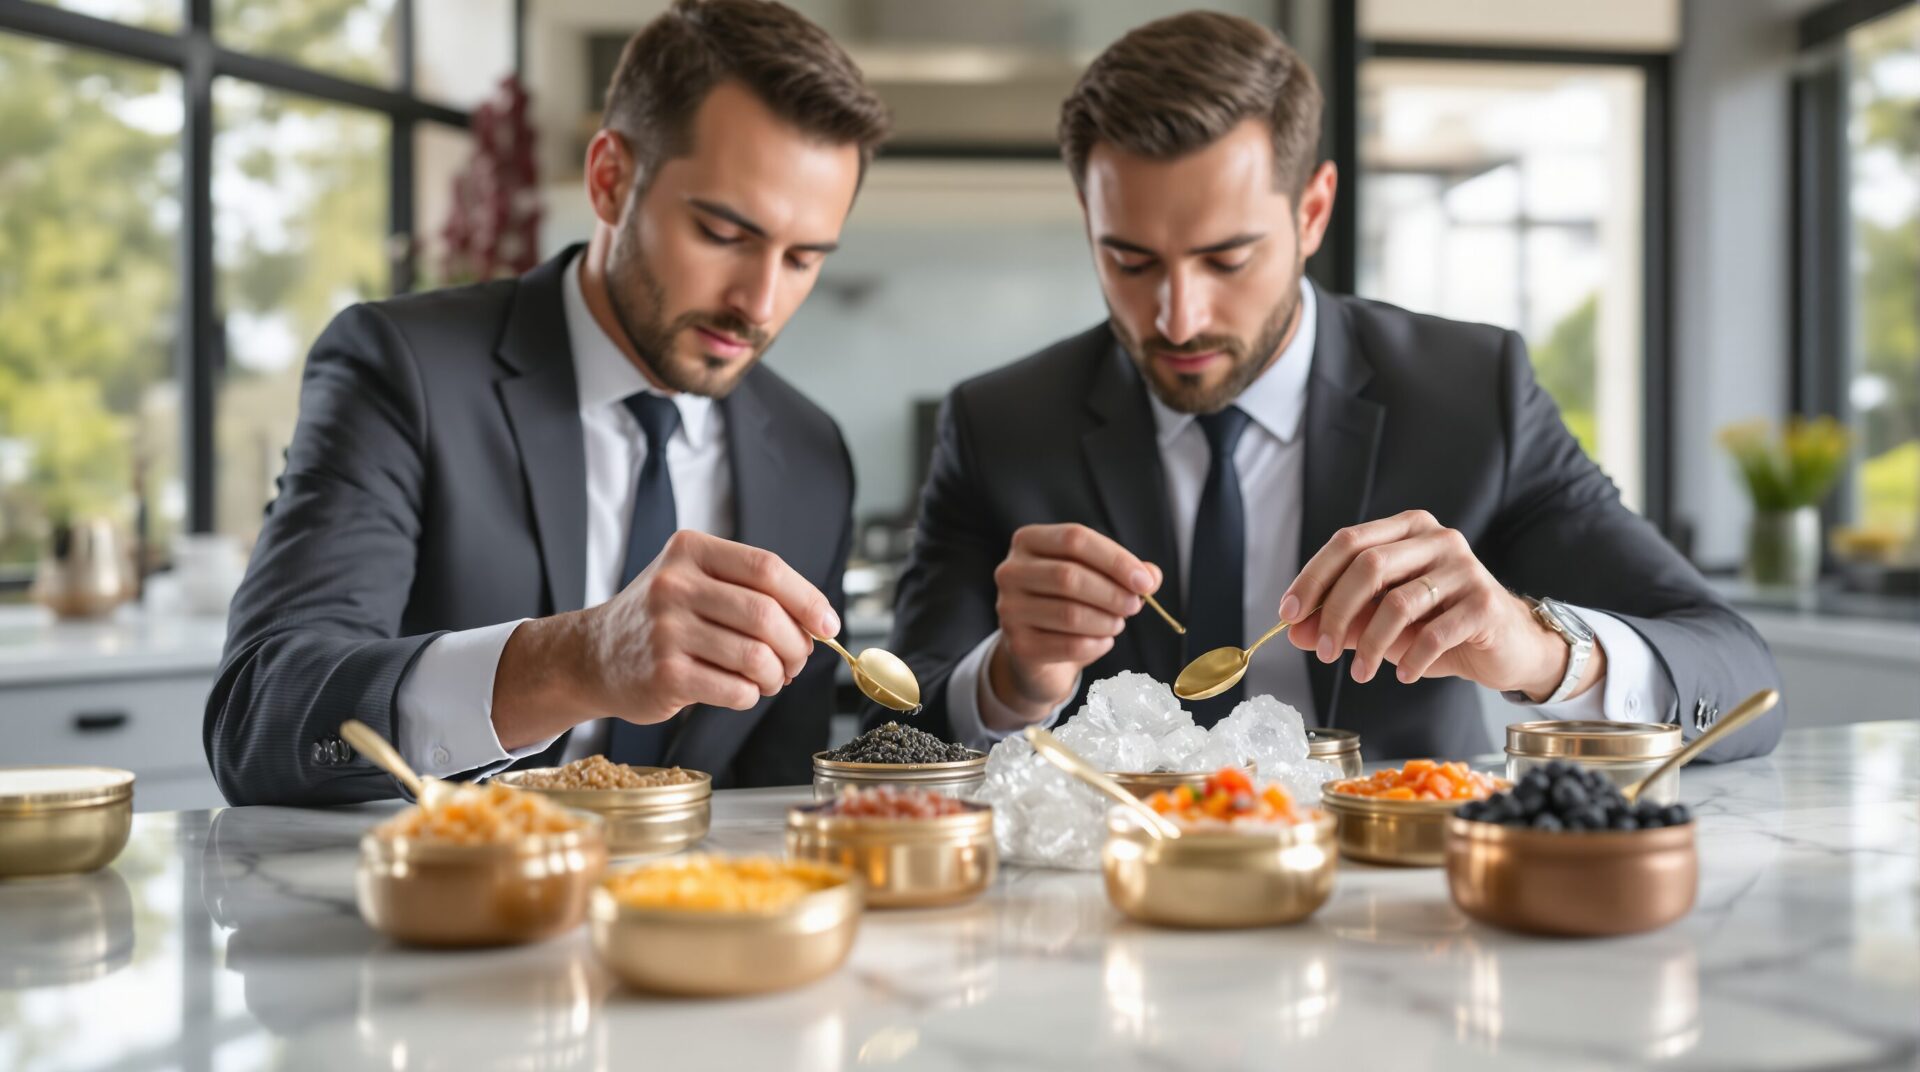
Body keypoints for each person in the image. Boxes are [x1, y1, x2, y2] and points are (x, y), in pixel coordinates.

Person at [884, 11, 1782, 763]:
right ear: (1089, 217)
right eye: (1129, 259)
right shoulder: (999, 422)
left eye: (1227, 258)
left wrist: (1534, 645)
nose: (1178, 316)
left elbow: (1742, 680)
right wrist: (1010, 680)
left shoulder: (1473, 395)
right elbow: (896, 729)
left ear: (1312, 211)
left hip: (1394, 922)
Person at [204, 0, 891, 805]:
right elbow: (259, 719)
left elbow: (777, 796)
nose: (761, 303)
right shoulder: (405, 371)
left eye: (804, 258)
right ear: (610, 180)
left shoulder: (811, 454)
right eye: (723, 234)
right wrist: (577, 660)